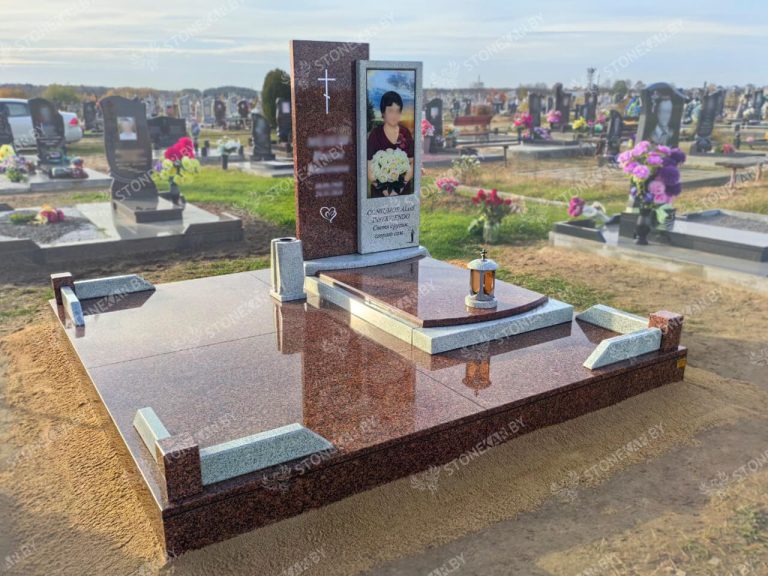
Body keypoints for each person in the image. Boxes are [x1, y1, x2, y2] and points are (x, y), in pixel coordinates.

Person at [366, 91, 414, 198]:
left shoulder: (405, 133)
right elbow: (369, 167)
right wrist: (385, 191)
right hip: (380, 193)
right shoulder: (375, 135)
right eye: (391, 111)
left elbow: (412, 162)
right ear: (383, 112)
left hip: (402, 192)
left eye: (398, 111)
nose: (394, 115)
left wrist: (400, 186)